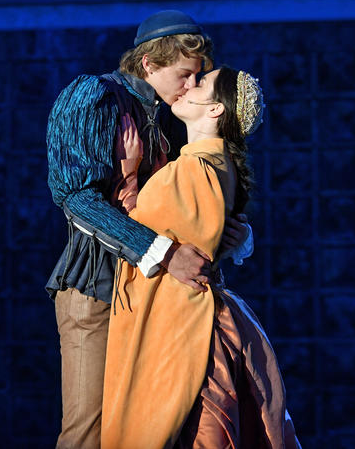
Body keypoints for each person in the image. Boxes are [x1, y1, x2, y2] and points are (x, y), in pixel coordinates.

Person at [46, 11, 253, 449]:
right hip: (98, 289)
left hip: (155, 299)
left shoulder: (173, 115)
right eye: (184, 74)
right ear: (149, 64)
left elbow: (186, 202)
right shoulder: (94, 97)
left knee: (147, 430)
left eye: (198, 76)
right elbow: (75, 197)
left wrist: (232, 234)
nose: (191, 85)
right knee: (88, 430)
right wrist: (164, 252)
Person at [102, 66, 301, 449]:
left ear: (215, 109)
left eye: (202, 82)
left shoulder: (197, 169)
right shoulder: (206, 164)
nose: (189, 84)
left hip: (185, 330)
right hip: (192, 323)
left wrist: (128, 175)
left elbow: (141, 229)